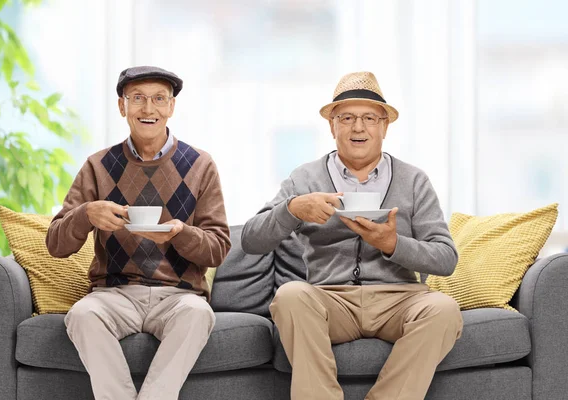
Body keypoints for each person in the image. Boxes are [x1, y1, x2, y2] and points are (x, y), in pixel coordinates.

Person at [241, 71, 463, 400]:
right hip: (329, 299)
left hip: (399, 298)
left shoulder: (414, 181)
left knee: (443, 309)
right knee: (290, 296)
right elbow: (250, 240)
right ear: (332, 125)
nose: (358, 128)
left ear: (384, 126)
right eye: (347, 117)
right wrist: (292, 210)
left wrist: (392, 244)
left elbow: (446, 259)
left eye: (369, 118)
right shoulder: (304, 178)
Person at [46, 65, 230, 400]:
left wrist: (180, 234)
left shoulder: (200, 164)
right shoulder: (97, 165)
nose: (149, 109)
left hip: (178, 296)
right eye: (138, 99)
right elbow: (56, 243)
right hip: (114, 294)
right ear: (122, 107)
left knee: (198, 315)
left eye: (159, 99)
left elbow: (217, 248)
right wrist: (86, 214)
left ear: (171, 107)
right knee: (82, 315)